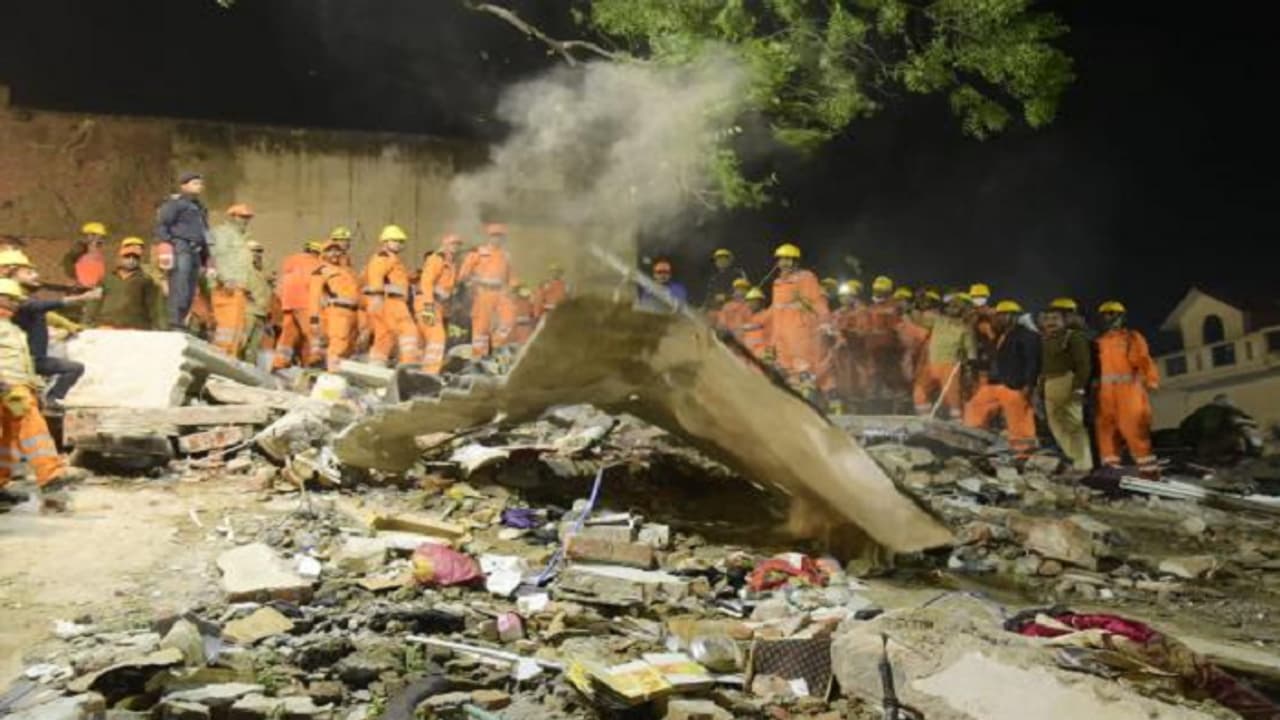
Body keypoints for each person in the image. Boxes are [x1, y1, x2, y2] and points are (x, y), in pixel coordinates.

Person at [0, 279, 85, 510]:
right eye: (11, 299)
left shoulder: (13, 329)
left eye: (17, 300)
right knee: (32, 425)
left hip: (17, 386)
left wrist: (33, 386)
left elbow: (25, 362)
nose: (15, 304)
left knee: (8, 438)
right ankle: (50, 476)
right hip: (8, 387)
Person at [0, 250, 99, 406]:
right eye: (28, 272)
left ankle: (50, 400)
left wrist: (67, 325)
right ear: (7, 270)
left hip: (29, 362)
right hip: (16, 367)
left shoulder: (23, 300)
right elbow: (36, 306)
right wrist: (80, 298)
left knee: (73, 369)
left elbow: (42, 311)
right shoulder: (17, 301)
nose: (35, 276)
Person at [964, 300, 1041, 458]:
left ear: (1012, 316)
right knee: (975, 406)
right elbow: (996, 360)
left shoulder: (1027, 336)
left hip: (1014, 385)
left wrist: (1029, 384)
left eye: (1001, 316)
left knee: (1018, 419)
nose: (996, 319)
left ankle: (1024, 454)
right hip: (994, 383)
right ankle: (974, 441)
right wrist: (973, 363)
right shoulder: (1002, 336)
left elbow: (1032, 361)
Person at [1094, 300, 1160, 477]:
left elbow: (1144, 359)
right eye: (1105, 315)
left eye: (1112, 315)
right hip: (1105, 392)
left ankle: (1148, 470)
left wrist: (1151, 380)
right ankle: (1111, 468)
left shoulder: (1132, 337)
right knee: (1106, 429)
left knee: (1133, 428)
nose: (1109, 318)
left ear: (1121, 317)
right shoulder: (1099, 342)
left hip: (1129, 390)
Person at [1039, 298, 1094, 471]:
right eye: (1047, 319)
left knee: (1074, 425)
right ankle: (1073, 459)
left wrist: (1079, 387)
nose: (1050, 322)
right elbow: (1043, 366)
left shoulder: (1074, 337)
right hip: (1050, 383)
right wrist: (1041, 388)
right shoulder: (1046, 340)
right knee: (1056, 425)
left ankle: (1084, 464)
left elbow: (1083, 364)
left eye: (1055, 319)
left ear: (1064, 320)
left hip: (1067, 381)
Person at [154, 172, 211, 330]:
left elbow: (205, 233)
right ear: (184, 185)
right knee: (180, 284)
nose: (199, 186)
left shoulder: (200, 208)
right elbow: (162, 224)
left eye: (200, 183)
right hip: (181, 246)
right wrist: (166, 244)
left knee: (191, 288)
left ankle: (182, 319)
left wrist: (207, 258)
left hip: (196, 250)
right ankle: (174, 321)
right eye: (194, 183)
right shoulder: (175, 204)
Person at [769, 243, 828, 393]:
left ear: (796, 261)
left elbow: (817, 301)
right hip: (781, 332)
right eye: (781, 259)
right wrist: (773, 337)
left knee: (802, 365)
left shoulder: (805, 277)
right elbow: (776, 310)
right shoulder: (777, 283)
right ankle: (794, 400)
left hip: (798, 330)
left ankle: (809, 398)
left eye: (788, 259)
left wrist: (824, 322)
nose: (784, 263)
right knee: (785, 367)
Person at [363, 224, 420, 368]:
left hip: (386, 302)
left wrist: (416, 276)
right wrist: (376, 297)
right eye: (395, 240)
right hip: (391, 303)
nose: (399, 244)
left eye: (401, 241)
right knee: (409, 331)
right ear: (385, 242)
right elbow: (376, 275)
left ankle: (375, 368)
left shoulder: (391, 258)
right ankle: (409, 366)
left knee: (384, 338)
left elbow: (397, 279)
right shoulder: (384, 257)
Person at [458, 223, 518, 359]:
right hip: (482, 293)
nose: (496, 239)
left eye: (500, 236)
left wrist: (513, 290)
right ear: (488, 237)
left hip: (501, 293)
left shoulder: (506, 256)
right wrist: (473, 285)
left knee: (509, 320)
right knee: (481, 327)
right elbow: (463, 275)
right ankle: (479, 357)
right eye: (494, 236)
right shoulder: (477, 253)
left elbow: (512, 279)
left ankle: (497, 347)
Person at [913, 292, 975, 419]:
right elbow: (918, 319)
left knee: (953, 399)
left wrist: (969, 370)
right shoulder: (938, 320)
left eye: (956, 307)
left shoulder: (965, 328)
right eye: (950, 306)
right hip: (931, 364)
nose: (952, 309)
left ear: (963, 310)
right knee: (919, 393)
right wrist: (917, 305)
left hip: (950, 366)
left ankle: (957, 422)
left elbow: (971, 353)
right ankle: (925, 418)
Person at [84, 240, 167, 330]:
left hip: (134, 329)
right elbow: (93, 304)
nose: (131, 260)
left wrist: (161, 329)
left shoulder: (146, 280)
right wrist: (87, 325)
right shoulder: (106, 279)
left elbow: (155, 308)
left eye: (135, 257)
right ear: (119, 258)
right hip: (106, 327)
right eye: (127, 256)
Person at [307, 240, 361, 372]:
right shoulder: (321, 271)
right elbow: (314, 297)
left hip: (353, 313)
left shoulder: (346, 271)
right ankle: (332, 375)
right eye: (330, 250)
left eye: (337, 250)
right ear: (323, 254)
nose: (334, 253)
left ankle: (339, 375)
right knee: (338, 344)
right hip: (337, 312)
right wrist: (314, 319)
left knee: (349, 347)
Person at [209, 203, 255, 356]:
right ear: (232, 216)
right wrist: (225, 279)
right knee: (226, 329)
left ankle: (230, 357)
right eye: (242, 217)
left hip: (238, 289)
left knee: (236, 329)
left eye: (247, 217)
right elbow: (216, 257)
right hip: (226, 288)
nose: (245, 220)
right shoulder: (223, 234)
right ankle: (221, 359)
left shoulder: (241, 238)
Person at [273, 241, 324, 369]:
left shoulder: (290, 261)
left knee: (288, 334)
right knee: (311, 332)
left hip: (288, 303)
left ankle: (280, 362)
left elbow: (282, 283)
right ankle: (314, 360)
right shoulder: (317, 264)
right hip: (304, 302)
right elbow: (314, 285)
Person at [417, 234, 462, 375]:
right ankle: (430, 373)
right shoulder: (436, 259)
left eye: (457, 244)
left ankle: (417, 371)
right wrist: (428, 307)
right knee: (437, 338)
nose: (455, 247)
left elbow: (447, 291)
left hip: (438, 306)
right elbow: (426, 283)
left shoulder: (451, 263)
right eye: (453, 244)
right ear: (445, 244)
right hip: (428, 304)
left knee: (423, 341)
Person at [242, 240, 274, 363]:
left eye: (259, 251)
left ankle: (249, 368)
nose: (257, 254)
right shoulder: (243, 269)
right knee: (243, 341)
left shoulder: (263, 272)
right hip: (248, 311)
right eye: (254, 251)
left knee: (254, 347)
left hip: (261, 313)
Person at [61, 222, 108, 291]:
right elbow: (69, 263)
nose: (100, 238)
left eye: (101, 236)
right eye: (96, 235)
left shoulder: (97, 251)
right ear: (89, 235)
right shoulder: (81, 248)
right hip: (83, 284)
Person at [740, 287, 772, 362]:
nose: (750, 304)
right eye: (749, 301)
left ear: (761, 302)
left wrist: (741, 328)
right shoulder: (752, 316)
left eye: (754, 301)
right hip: (749, 355)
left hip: (761, 354)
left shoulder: (766, 314)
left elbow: (756, 326)